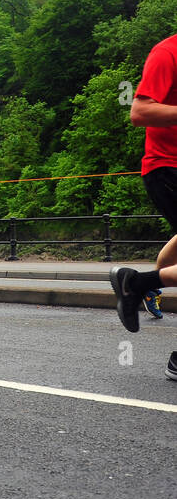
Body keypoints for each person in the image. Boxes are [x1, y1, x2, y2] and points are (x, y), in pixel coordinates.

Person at [112, 31, 177, 379]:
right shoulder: (167, 52)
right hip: (167, 168)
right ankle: (138, 284)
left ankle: (138, 283)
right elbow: (140, 111)